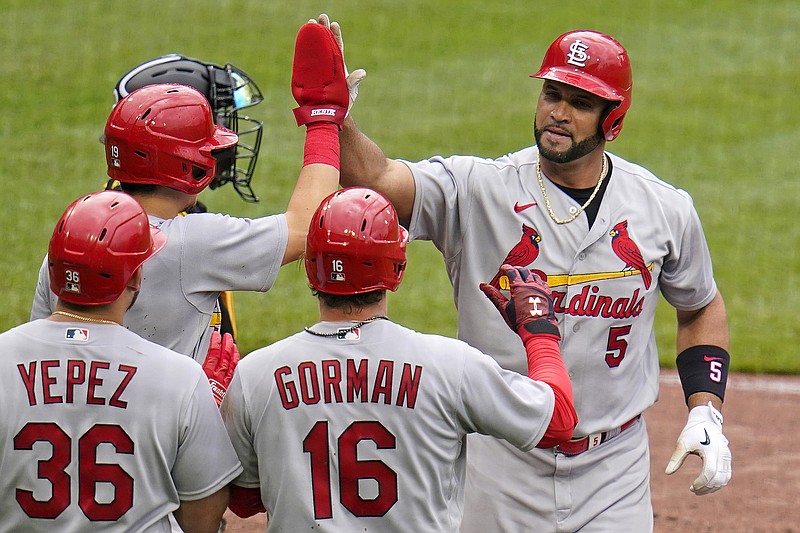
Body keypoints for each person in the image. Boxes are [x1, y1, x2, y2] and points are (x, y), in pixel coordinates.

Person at [326, 17, 732, 532]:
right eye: (551, 94)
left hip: (614, 467)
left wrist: (706, 409)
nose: (558, 113)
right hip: (499, 462)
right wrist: (335, 120)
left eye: (580, 103)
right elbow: (376, 180)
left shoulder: (664, 208)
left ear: (614, 120)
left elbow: (700, 305)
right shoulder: (477, 189)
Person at [221, 186, 578, 531]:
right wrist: (539, 330)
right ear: (396, 267)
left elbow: (245, 500)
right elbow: (558, 422)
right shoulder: (449, 365)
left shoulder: (256, 374)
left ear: (312, 268)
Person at [31, 22, 349, 369]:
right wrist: (323, 118)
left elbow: (37, 354)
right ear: (187, 167)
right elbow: (307, 227)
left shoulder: (71, 239)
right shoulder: (195, 244)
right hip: (172, 418)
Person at [0, 190, 241, 532]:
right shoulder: (179, 378)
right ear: (136, 278)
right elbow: (205, 510)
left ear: (53, 271)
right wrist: (208, 401)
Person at [106, 52, 267, 342]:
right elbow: (300, 229)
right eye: (209, 126)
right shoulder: (192, 238)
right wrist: (324, 118)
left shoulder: (95, 221)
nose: (228, 138)